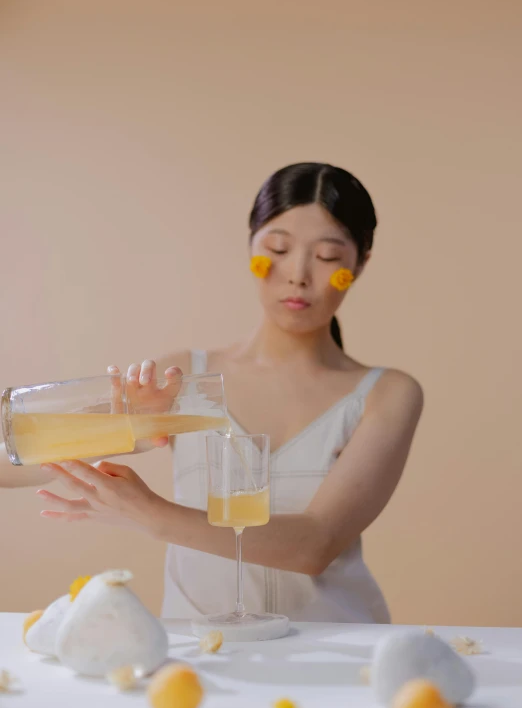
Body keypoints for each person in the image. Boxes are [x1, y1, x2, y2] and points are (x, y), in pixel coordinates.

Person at [0, 163, 423, 623]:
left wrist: (152, 515)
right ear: (251, 247)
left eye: (326, 256)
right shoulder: (181, 379)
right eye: (278, 249)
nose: (298, 274)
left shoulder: (388, 394)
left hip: (342, 652)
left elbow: (315, 545)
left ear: (360, 263)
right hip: (206, 658)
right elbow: (8, 463)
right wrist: (128, 428)